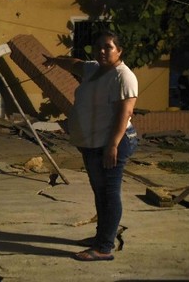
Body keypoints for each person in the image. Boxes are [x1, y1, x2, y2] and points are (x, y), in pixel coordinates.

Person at [43, 30, 138, 262]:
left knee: (109, 193)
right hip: (92, 143)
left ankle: (104, 248)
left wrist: (112, 146)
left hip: (113, 142)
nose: (102, 51)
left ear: (120, 51)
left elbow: (124, 115)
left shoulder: (123, 76)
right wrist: (54, 61)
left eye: (108, 47)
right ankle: (101, 236)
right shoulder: (94, 69)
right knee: (100, 192)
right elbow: (74, 63)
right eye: (99, 47)